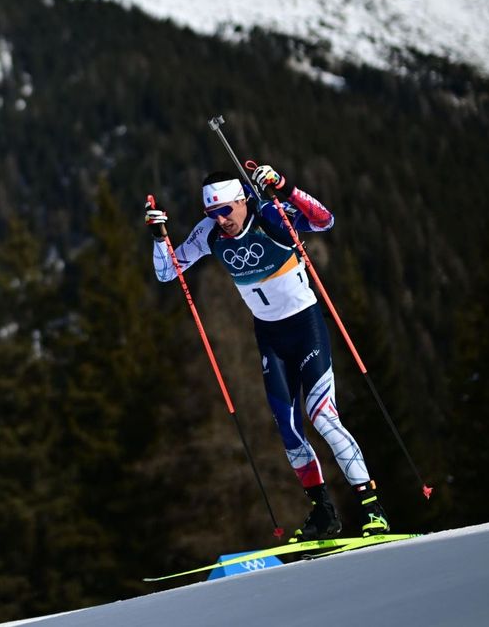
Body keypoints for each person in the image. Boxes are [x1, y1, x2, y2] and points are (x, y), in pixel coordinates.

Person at [145, 165, 389, 540]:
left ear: (242, 200)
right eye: (212, 213)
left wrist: (287, 189)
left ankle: (373, 509)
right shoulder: (208, 232)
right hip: (270, 337)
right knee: (289, 431)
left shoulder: (269, 216)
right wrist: (159, 236)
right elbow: (168, 272)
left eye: (226, 210)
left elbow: (324, 221)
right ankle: (323, 514)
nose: (220, 220)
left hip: (305, 327)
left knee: (322, 417)